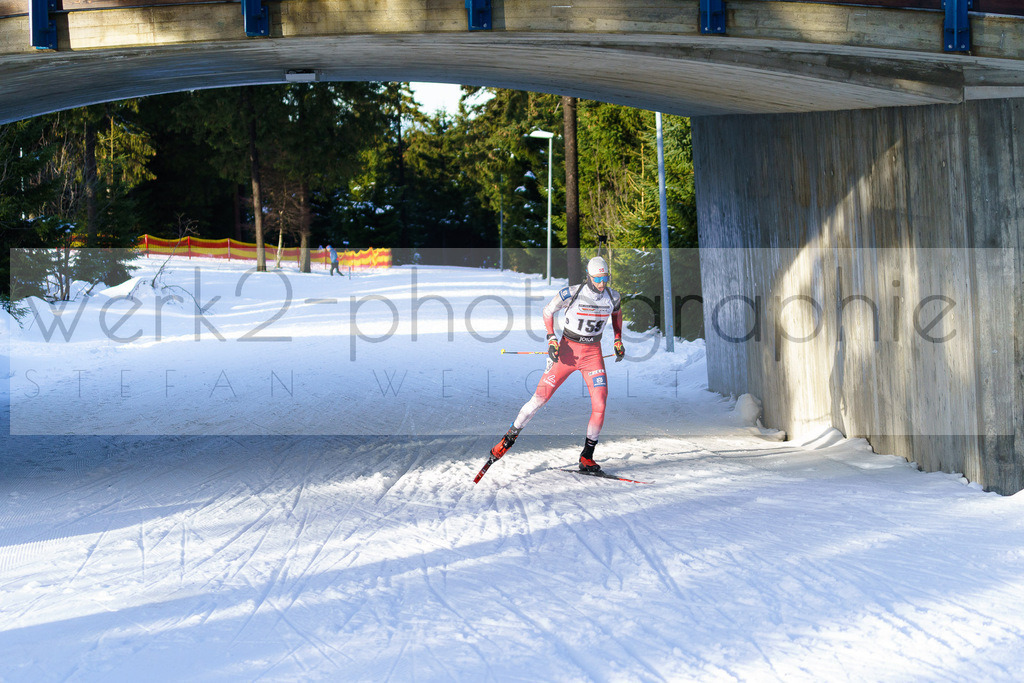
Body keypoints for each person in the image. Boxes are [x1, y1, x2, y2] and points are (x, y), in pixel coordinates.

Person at [489, 256, 625, 472]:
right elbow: (547, 311)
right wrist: (551, 338)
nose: (602, 283)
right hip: (566, 353)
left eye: (605, 278)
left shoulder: (613, 296)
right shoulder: (572, 292)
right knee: (539, 399)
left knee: (600, 403)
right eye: (598, 278)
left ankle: (587, 456)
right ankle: (509, 438)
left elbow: (617, 316)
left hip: (593, 356)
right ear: (589, 277)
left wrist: (618, 338)